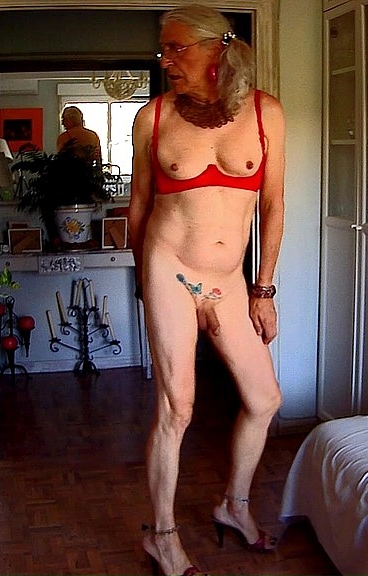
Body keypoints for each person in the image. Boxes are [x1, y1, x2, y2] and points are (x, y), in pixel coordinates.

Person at [127, 5, 286, 576]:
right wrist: (147, 286)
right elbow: (139, 206)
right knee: (178, 409)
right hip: (169, 269)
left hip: (229, 282)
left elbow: (273, 205)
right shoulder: (154, 116)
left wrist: (262, 290)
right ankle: (162, 536)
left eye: (176, 48)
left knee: (265, 399)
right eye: (163, 50)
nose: (165, 60)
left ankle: (233, 505)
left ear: (217, 48)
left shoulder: (266, 113)